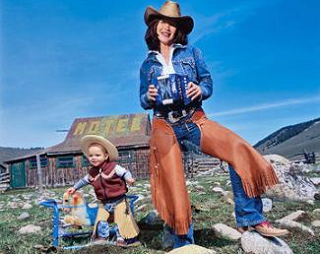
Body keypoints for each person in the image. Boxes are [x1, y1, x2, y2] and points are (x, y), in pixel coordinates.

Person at [139, 1, 289, 248]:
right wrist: (150, 96)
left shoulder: (192, 53)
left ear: (178, 30)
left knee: (238, 148)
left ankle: (250, 218)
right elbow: (142, 98)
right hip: (163, 124)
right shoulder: (147, 65)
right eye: (163, 22)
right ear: (155, 26)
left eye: (173, 24)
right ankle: (184, 244)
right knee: (174, 181)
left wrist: (200, 89)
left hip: (194, 118)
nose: (167, 28)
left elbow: (207, 82)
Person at [66, 135, 140, 247]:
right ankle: (102, 237)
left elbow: (125, 172)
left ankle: (122, 238)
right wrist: (75, 187)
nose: (93, 158)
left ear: (105, 156)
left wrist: (129, 179)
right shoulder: (92, 172)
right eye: (90, 156)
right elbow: (84, 180)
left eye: (97, 155)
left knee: (121, 220)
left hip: (118, 200)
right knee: (101, 221)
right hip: (104, 202)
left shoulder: (114, 167)